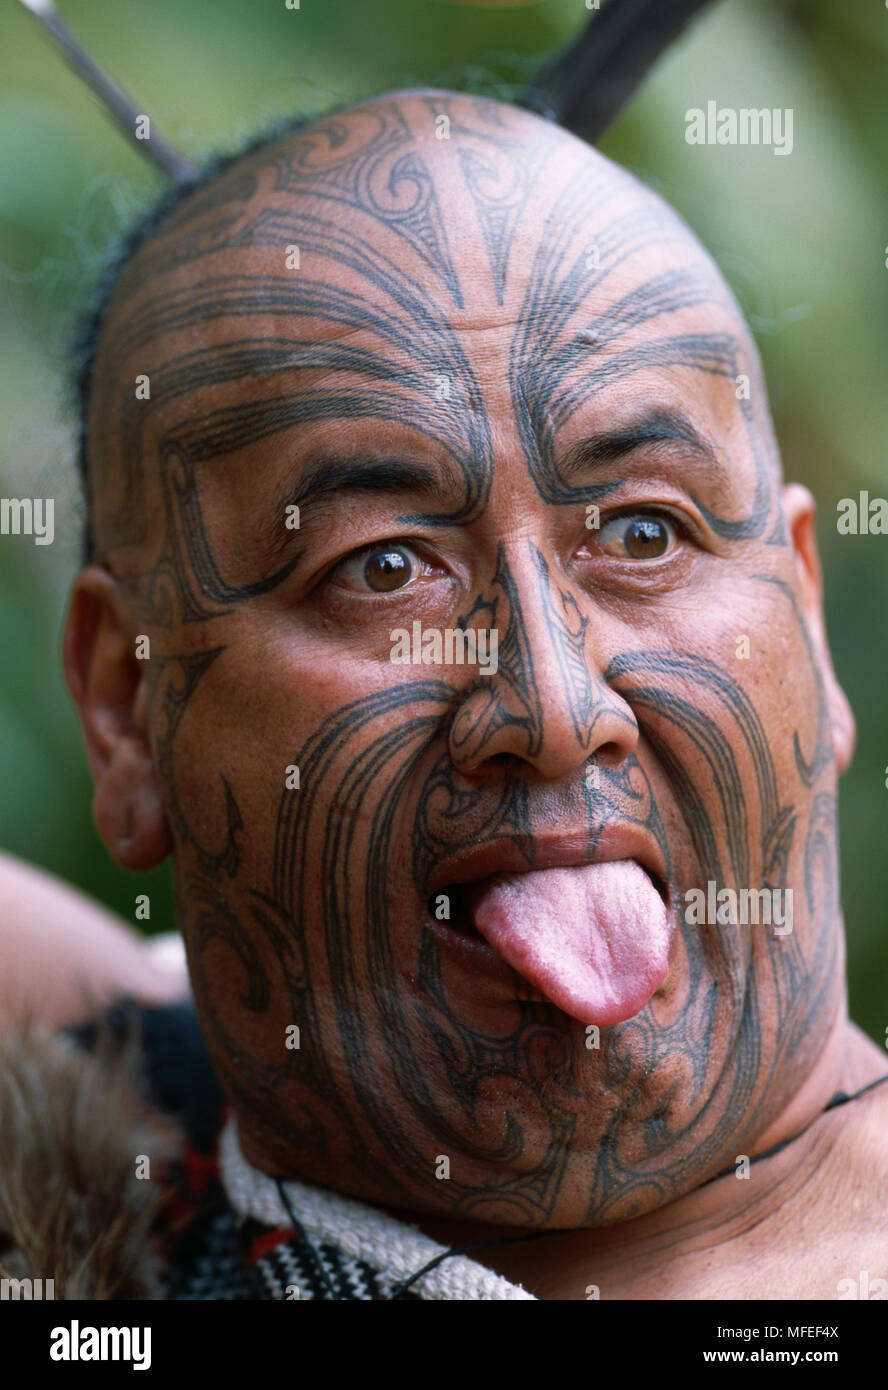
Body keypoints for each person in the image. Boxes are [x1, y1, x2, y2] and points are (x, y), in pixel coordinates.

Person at [4, 86, 886, 1300]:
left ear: (806, 614)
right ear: (122, 709)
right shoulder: (108, 1105)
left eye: (643, 531)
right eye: (382, 568)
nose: (558, 709)